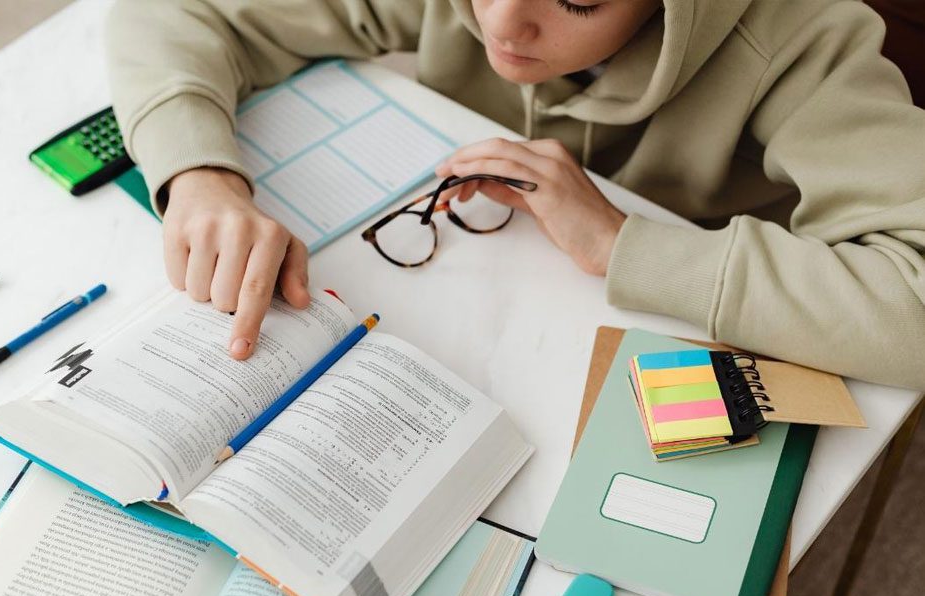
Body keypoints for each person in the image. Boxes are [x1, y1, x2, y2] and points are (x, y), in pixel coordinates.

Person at [105, 0, 925, 389]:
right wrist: (197, 174)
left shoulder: (805, 36)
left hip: (689, 359)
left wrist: (623, 243)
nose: (501, 24)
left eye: (576, 1)